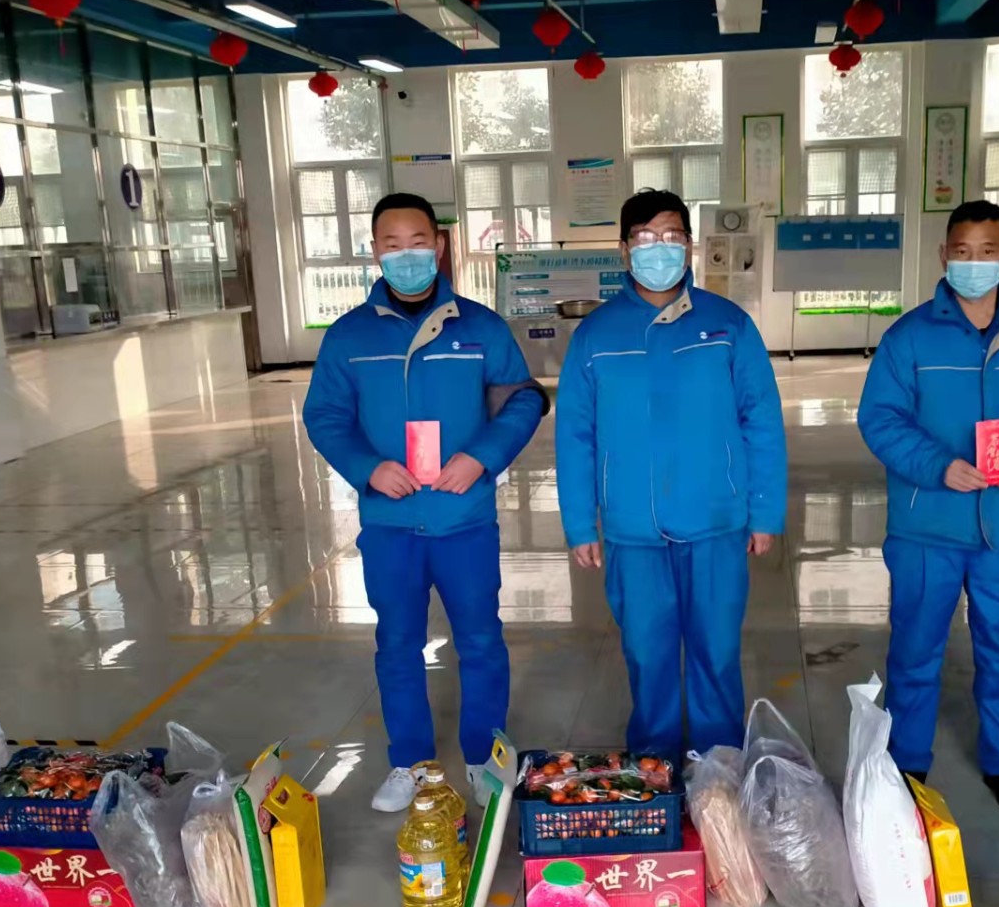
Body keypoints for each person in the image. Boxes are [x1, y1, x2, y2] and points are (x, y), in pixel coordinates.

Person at [303, 193, 547, 811]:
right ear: (375, 251)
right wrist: (368, 468)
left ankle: (484, 759)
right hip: (390, 523)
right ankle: (409, 763)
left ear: (439, 246)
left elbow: (523, 399)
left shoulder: (481, 328)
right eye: (393, 245)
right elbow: (325, 414)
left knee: (481, 640)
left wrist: (481, 457)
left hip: (463, 519)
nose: (407, 255)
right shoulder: (349, 336)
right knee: (397, 644)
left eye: (418, 242)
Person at [857, 200, 999, 817]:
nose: (974, 263)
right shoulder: (910, 336)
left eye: (988, 251)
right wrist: (936, 465)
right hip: (927, 523)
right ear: (944, 255)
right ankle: (907, 761)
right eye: (962, 251)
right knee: (916, 646)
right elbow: (880, 417)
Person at [556, 189, 786, 755]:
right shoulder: (595, 336)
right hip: (632, 529)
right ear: (623, 248)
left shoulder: (728, 325)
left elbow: (761, 421)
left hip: (715, 523)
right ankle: (654, 767)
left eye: (671, 236)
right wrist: (581, 523)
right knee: (647, 653)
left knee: (716, 652)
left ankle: (719, 766)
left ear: (689, 245)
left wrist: (765, 512)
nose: (658, 248)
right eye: (645, 237)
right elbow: (575, 436)